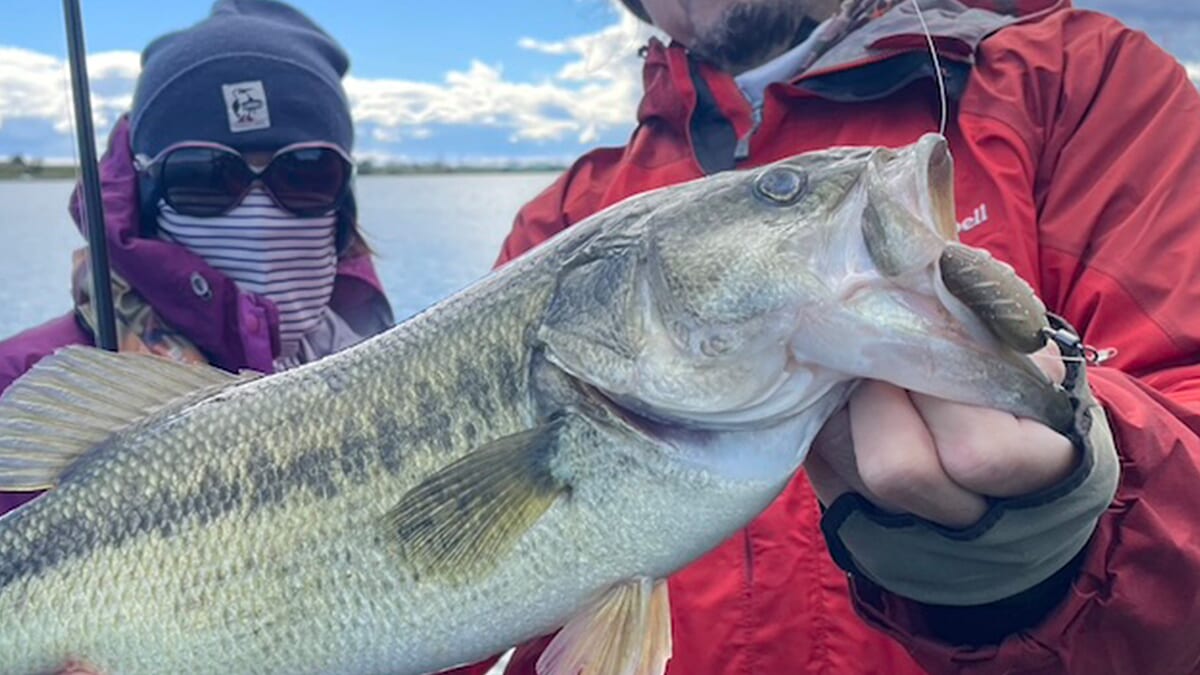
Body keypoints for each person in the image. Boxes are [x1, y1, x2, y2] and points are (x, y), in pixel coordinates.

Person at [449, 0, 1200, 673]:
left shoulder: (1073, 82)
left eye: (784, 193)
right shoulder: (566, 219)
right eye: (781, 191)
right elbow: (427, 586)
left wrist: (1058, 531)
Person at [0, 0, 393, 521]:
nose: (257, 214)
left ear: (342, 199)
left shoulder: (389, 370)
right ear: (147, 194)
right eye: (204, 176)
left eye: (304, 171)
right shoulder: (21, 384)